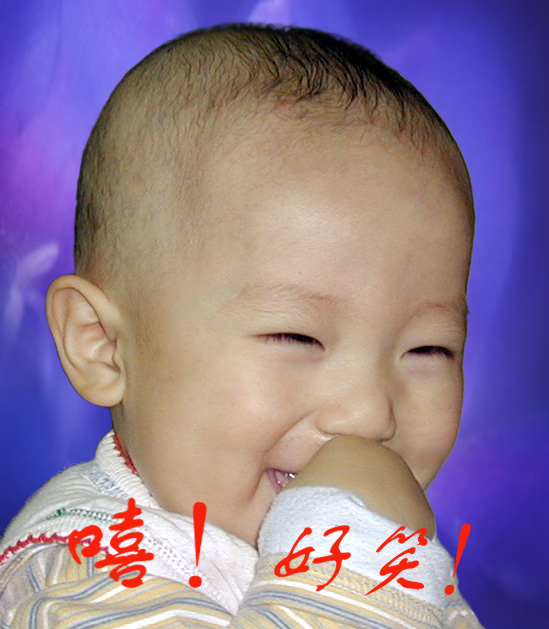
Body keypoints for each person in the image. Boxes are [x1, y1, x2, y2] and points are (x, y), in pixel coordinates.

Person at [0, 22, 484, 627]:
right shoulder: (78, 575)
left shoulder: (386, 544)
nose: (369, 416)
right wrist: (353, 568)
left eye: (430, 349)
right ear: (104, 346)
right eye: (297, 337)